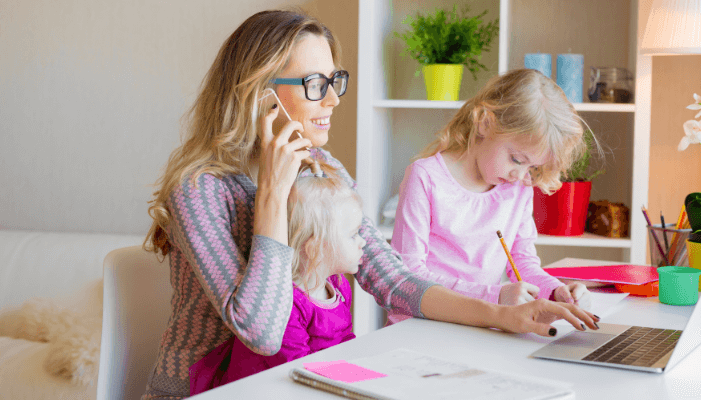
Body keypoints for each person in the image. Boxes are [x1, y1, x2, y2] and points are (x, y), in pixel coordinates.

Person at [142, 11, 598, 399]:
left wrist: (502, 314)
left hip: (291, 383)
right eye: (315, 84)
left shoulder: (323, 170)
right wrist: (273, 196)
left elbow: (394, 279)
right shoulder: (200, 191)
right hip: (213, 390)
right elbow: (261, 333)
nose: (335, 99)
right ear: (261, 95)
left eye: (334, 80)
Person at [389, 69, 593, 325]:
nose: (520, 175)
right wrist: (494, 296)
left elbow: (523, 263)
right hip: (421, 325)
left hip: (480, 325)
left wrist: (555, 291)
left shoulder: (519, 187)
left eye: (532, 167)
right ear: (485, 123)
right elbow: (409, 277)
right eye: (517, 159)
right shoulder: (426, 177)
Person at [188, 165, 362, 395]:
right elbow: (297, 370)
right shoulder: (286, 303)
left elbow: (345, 342)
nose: (362, 242)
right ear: (314, 248)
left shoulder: (338, 286)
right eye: (353, 235)